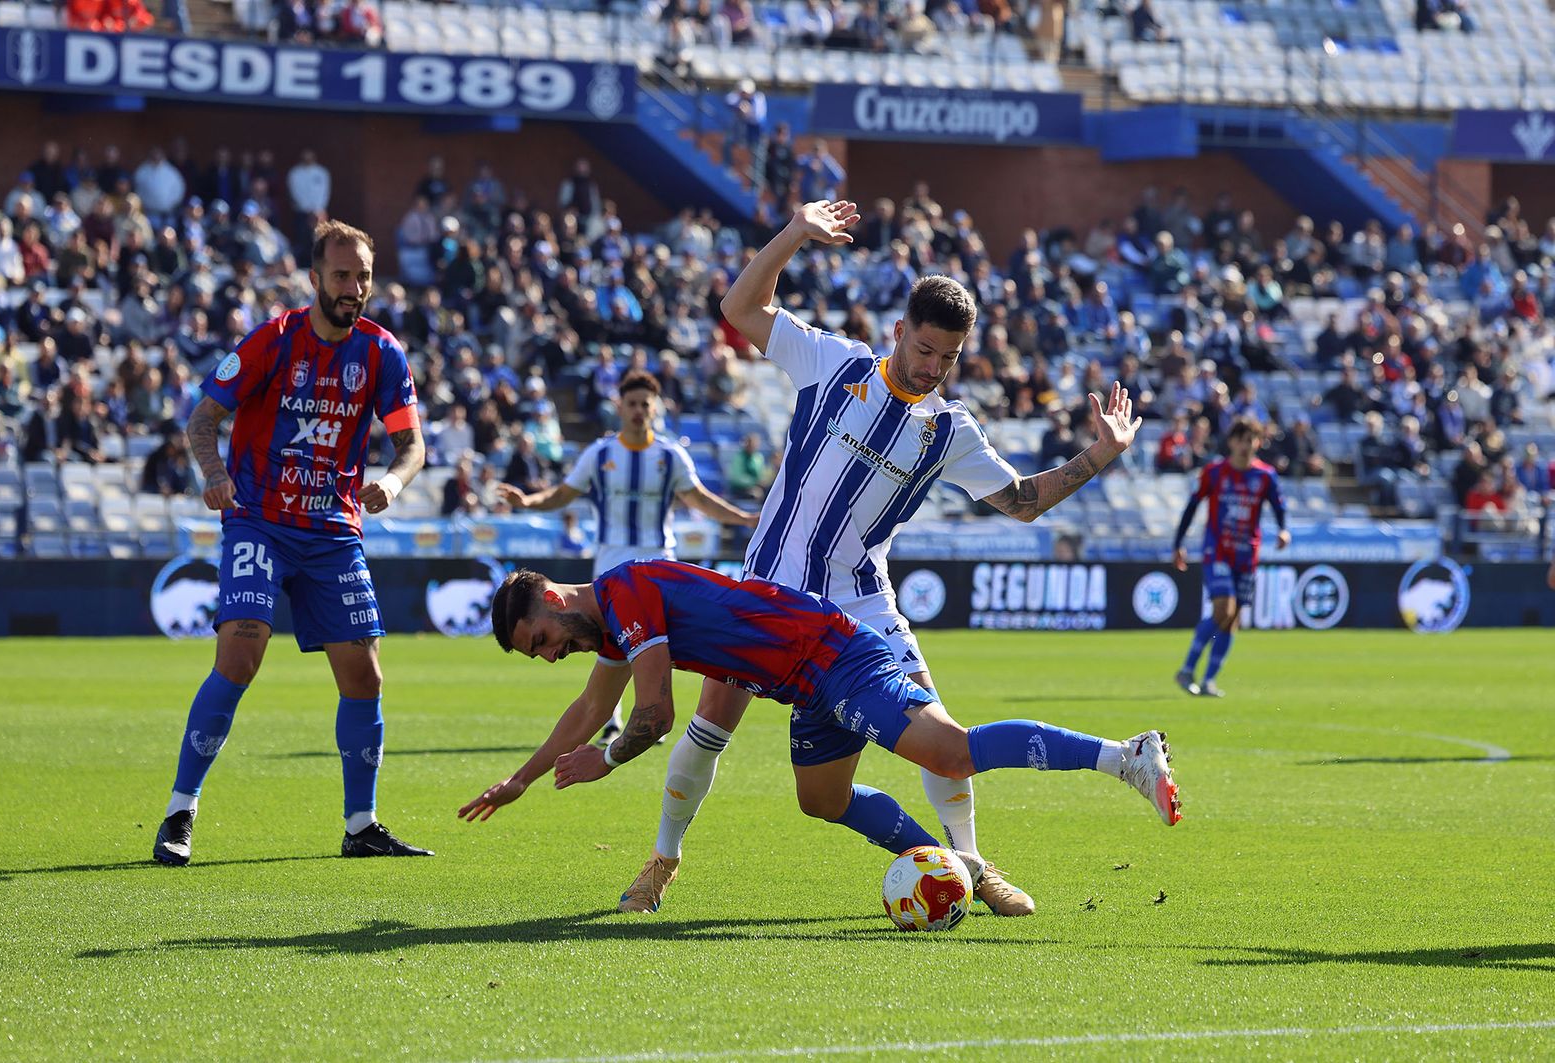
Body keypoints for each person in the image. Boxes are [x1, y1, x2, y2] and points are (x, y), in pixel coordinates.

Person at [572, 199, 1138, 917]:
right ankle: (663, 859)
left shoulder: (950, 431)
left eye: (948, 358)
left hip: (861, 601)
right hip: (769, 590)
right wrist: (795, 234)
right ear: (898, 331)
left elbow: (1023, 501)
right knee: (712, 725)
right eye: (924, 349)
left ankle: (971, 863)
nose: (932, 367)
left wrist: (1099, 455)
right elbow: (739, 308)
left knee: (939, 731)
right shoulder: (834, 363)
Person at [459, 562, 1180, 906]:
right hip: (804, 683)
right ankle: (966, 869)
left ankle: (1126, 757)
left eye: (541, 639)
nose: (550, 654)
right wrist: (521, 779)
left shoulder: (625, 594)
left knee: (949, 751)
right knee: (822, 799)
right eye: (538, 653)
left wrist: (610, 758)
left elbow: (653, 715)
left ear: (551, 597)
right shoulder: (614, 622)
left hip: (834, 654)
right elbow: (589, 707)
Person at [150, 220, 431, 867]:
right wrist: (213, 473)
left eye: (363, 276)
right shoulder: (272, 341)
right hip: (260, 522)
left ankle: (361, 825)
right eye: (342, 275)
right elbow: (202, 419)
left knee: (364, 673)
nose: (353, 288)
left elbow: (411, 443)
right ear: (314, 278)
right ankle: (180, 810)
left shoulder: (382, 352)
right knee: (241, 652)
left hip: (333, 531)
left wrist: (392, 481)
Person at [498, 369, 758, 740]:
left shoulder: (670, 455)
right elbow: (563, 494)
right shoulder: (599, 454)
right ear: (620, 407)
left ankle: (651, 712)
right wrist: (529, 502)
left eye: (644, 405)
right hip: (611, 562)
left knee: (658, 641)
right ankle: (612, 720)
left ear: (655, 408)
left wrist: (744, 518)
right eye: (632, 403)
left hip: (658, 561)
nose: (638, 411)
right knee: (607, 640)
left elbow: (699, 498)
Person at [1171, 417, 1290, 698]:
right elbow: (1192, 506)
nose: (1247, 445)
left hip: (1247, 555)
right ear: (1232, 442)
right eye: (1242, 439)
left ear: (1258, 443)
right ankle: (1187, 668)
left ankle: (1208, 680)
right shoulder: (1214, 472)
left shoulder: (1265, 476)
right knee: (1223, 610)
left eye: (1252, 440)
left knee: (1233, 619)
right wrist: (1178, 543)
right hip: (1217, 551)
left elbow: (1279, 507)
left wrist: (1283, 530)